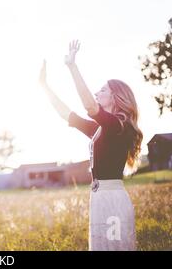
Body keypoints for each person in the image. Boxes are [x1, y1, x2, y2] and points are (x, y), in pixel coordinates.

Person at [39, 40, 143, 251]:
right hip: (99, 197)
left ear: (115, 97)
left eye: (102, 90)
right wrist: (44, 86)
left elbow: (89, 106)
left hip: (112, 199)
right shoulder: (103, 129)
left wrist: (72, 67)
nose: (97, 93)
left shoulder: (119, 126)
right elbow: (67, 114)